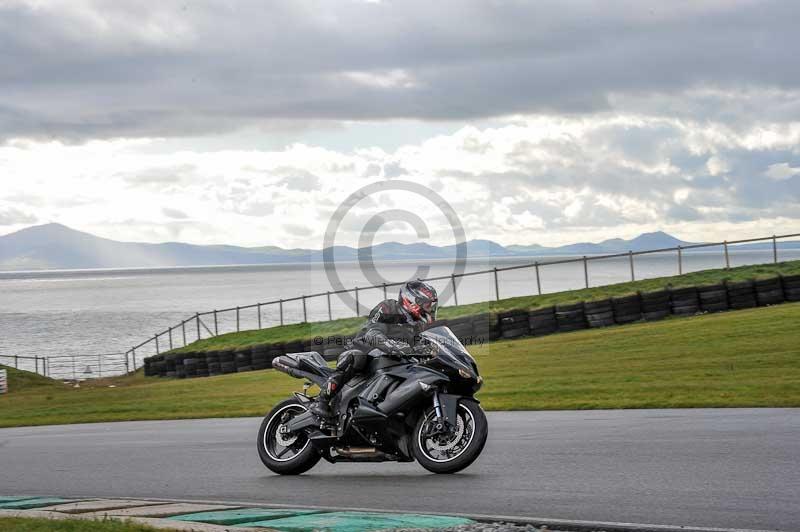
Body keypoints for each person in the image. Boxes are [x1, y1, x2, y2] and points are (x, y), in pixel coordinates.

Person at [310, 280, 439, 419]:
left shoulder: (417, 324)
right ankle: (322, 400)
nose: (430, 309)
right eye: (427, 305)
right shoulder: (388, 308)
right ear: (412, 301)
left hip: (391, 361)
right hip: (365, 352)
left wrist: (432, 349)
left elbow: (419, 343)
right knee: (356, 357)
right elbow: (372, 333)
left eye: (431, 305)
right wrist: (392, 346)